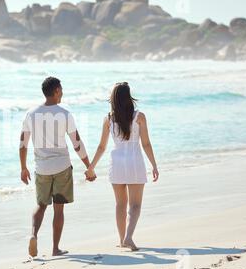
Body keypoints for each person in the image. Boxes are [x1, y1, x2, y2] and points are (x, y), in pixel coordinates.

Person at [19, 76, 94, 257]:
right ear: (56, 91)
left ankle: (33, 235)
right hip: (61, 167)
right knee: (58, 208)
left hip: (41, 168)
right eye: (61, 89)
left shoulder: (31, 114)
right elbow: (76, 143)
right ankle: (55, 249)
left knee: (41, 205)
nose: (63, 93)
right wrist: (88, 166)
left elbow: (23, 144)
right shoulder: (65, 114)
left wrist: (23, 167)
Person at [85, 82, 159, 251]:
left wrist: (91, 167)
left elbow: (101, 147)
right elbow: (146, 143)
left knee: (120, 204)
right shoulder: (139, 117)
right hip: (135, 162)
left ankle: (121, 239)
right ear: (129, 97)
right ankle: (129, 237)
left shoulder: (108, 119)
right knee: (135, 205)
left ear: (113, 99)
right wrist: (154, 165)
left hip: (116, 163)